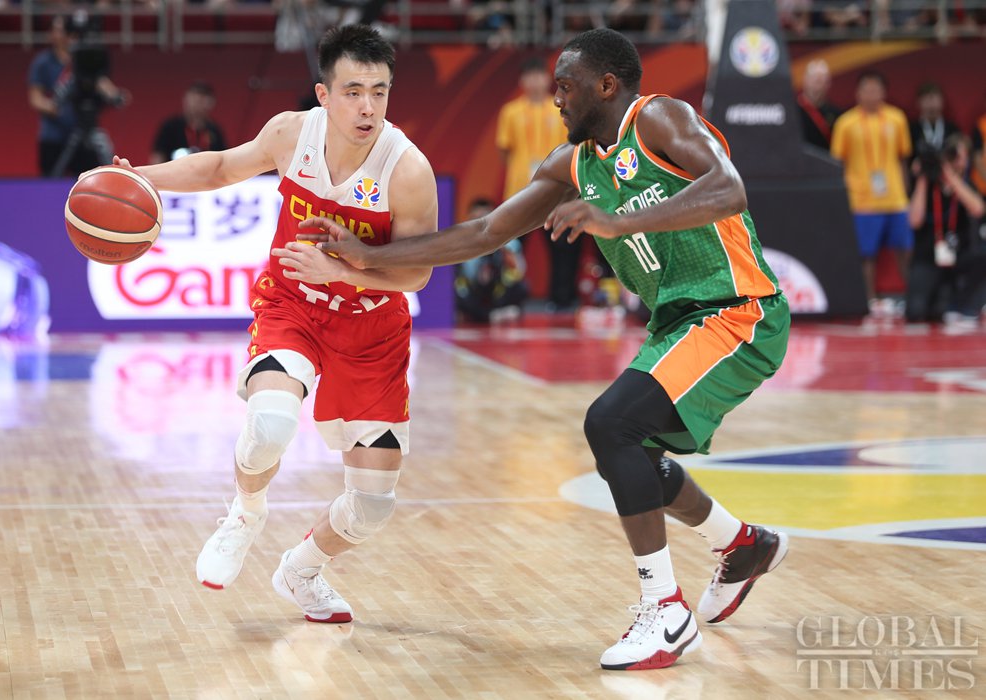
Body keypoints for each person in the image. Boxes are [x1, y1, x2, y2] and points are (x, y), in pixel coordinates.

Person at [281, 28, 790, 671]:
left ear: (607, 86)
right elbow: (484, 232)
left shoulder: (658, 118)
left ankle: (664, 610)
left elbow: (729, 189)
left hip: (738, 308)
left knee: (612, 425)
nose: (557, 99)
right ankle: (742, 545)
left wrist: (618, 221)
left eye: (567, 87)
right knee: (635, 457)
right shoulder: (571, 165)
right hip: (677, 322)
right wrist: (368, 256)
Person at [99, 25, 437, 623]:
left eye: (379, 92)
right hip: (292, 305)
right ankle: (244, 514)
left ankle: (301, 570)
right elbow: (218, 168)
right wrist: (142, 177)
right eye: (353, 91)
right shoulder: (291, 133)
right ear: (324, 94)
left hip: (372, 333)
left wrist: (343, 271)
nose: (367, 107)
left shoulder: (407, 169)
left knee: (371, 505)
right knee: (271, 423)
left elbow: (417, 275)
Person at [830, 71, 913, 315]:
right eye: (866, 89)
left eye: (876, 89)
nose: (871, 94)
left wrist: (906, 193)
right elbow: (838, 163)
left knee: (905, 249)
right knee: (866, 254)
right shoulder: (846, 123)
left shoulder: (897, 118)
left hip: (895, 198)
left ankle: (911, 297)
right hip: (862, 199)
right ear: (858, 93)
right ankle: (869, 299)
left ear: (884, 92)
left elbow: (902, 159)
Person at [496, 57, 574, 311]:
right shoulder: (510, 112)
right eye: (529, 76)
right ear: (522, 80)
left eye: (539, 75)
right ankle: (509, 300)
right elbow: (504, 150)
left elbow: (570, 147)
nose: (534, 81)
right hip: (519, 189)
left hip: (555, 190)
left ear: (547, 78)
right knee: (513, 248)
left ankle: (561, 300)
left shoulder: (560, 109)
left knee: (560, 245)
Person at [28, 12, 130, 178]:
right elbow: (35, 98)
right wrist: (54, 107)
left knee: (89, 179)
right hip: (54, 136)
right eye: (57, 30)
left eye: (65, 30)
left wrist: (115, 95)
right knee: (51, 180)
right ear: (50, 34)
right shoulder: (43, 62)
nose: (62, 35)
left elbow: (100, 81)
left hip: (85, 133)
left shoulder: (84, 58)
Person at [905, 133, 986, 324]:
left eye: (962, 157)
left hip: (958, 256)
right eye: (954, 156)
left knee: (983, 255)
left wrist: (950, 176)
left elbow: (978, 209)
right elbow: (914, 220)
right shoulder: (928, 184)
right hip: (928, 257)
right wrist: (924, 177)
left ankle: (965, 306)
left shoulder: (965, 185)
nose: (959, 162)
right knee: (916, 312)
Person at [453, 197, 528, 323]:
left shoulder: (508, 241)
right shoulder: (460, 243)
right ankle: (490, 315)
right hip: (473, 292)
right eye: (475, 219)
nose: (479, 225)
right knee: (456, 292)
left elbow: (520, 271)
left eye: (484, 218)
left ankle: (483, 314)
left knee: (521, 287)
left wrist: (503, 250)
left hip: (497, 291)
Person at [150, 81, 228, 164]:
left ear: (211, 103)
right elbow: (158, 157)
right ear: (185, 99)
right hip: (174, 171)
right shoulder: (171, 126)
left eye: (201, 100)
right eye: (194, 99)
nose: (196, 104)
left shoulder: (214, 131)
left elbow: (223, 161)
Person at [908, 82, 962, 163]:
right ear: (918, 102)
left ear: (942, 101)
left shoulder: (952, 129)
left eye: (934, 99)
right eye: (927, 100)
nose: (931, 104)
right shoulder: (911, 129)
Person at [796, 58, 841, 151]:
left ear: (828, 84)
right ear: (805, 81)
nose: (816, 87)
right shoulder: (792, 111)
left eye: (820, 82)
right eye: (814, 80)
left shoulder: (837, 115)